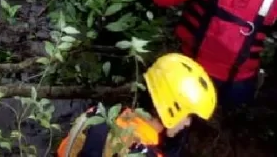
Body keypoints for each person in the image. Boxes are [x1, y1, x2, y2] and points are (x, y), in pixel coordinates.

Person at [56, 53, 217, 157]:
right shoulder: (145, 153)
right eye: (188, 115)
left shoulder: (100, 115)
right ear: (171, 109)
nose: (188, 122)